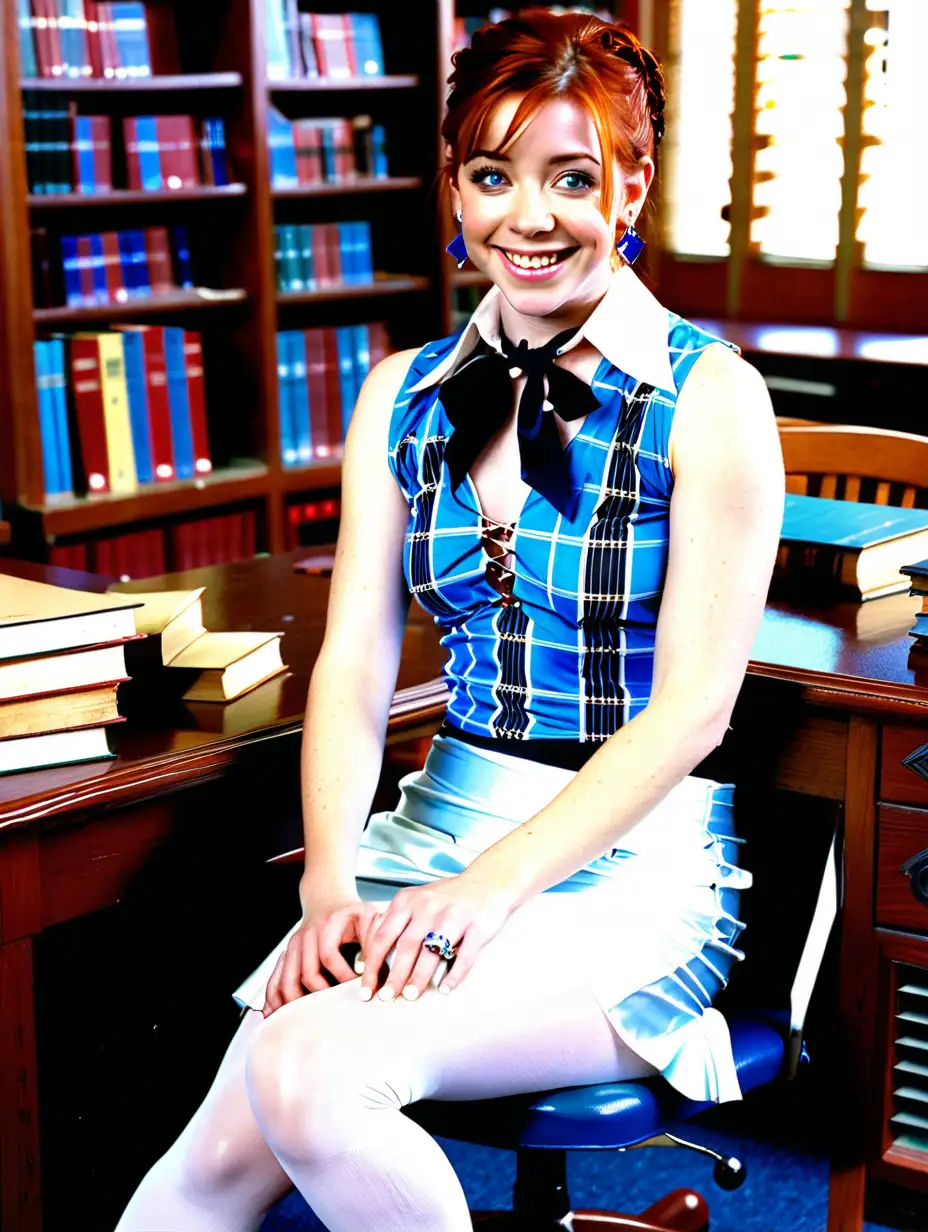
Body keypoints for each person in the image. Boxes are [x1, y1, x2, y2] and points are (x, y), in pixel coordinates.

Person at [116, 10, 784, 1231]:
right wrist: (328, 881)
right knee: (210, 1165)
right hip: (424, 844)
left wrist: (487, 888)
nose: (525, 217)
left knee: (310, 1073)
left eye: (569, 178)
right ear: (457, 187)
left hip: (628, 875)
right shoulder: (401, 395)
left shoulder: (712, 399)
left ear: (630, 183)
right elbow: (357, 669)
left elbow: (694, 709)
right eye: (491, 175)